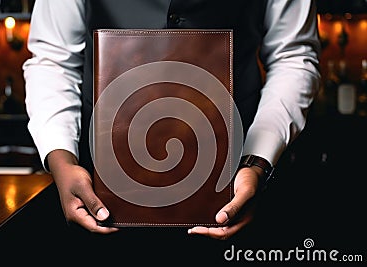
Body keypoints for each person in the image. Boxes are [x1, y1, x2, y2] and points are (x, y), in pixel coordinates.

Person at [23, 0, 320, 261]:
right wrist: (61, 160)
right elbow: (53, 58)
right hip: (101, 202)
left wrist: (258, 161)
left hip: (236, 188)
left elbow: (292, 56)